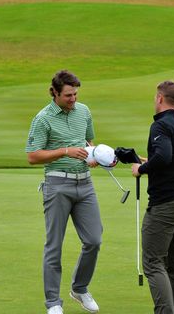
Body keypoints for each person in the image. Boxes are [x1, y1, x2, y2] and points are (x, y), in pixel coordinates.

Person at [26, 70, 102, 314]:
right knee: (54, 246)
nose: (73, 99)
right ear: (55, 93)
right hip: (57, 185)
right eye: (68, 95)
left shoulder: (84, 111)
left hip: (85, 184)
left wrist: (94, 156)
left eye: (75, 94)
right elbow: (33, 156)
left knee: (94, 240)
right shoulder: (43, 118)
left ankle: (79, 288)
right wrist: (65, 151)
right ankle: (53, 303)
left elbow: (89, 142)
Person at [131, 81, 174, 314]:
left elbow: (164, 156)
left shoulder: (160, 126)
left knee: (153, 264)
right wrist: (147, 161)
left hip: (165, 204)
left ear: (160, 98)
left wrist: (142, 169)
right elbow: (171, 160)